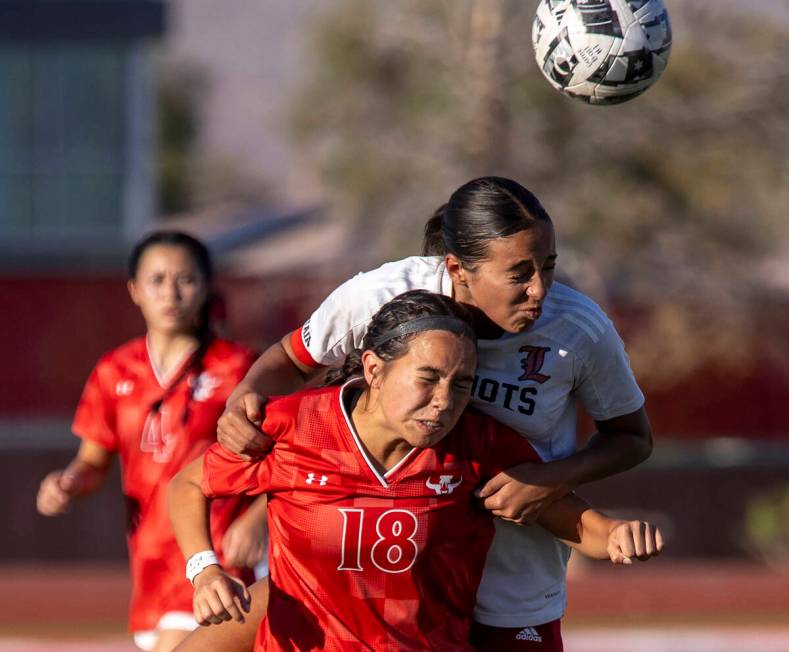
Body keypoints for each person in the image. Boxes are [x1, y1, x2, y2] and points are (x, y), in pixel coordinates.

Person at [208, 176, 651, 651]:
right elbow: (291, 363)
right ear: (458, 268)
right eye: (520, 273)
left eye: (549, 266)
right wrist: (244, 399)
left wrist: (548, 480)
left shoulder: (578, 328)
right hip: (398, 566)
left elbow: (631, 438)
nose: (540, 289)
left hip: (511, 573)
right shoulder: (381, 295)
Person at [169, 290, 663, 652]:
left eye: (462, 384)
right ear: (374, 369)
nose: (445, 402)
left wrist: (618, 534)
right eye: (427, 379)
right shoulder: (296, 426)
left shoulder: (478, 445)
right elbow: (190, 484)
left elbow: (572, 520)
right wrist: (203, 570)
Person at [36, 231, 267, 652]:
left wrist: (257, 519)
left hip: (216, 557)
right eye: (157, 279)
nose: (171, 292)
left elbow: (290, 456)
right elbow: (92, 461)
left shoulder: (240, 368)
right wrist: (68, 482)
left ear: (207, 287)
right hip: (150, 565)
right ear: (134, 290)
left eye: (186, 279)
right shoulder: (113, 370)